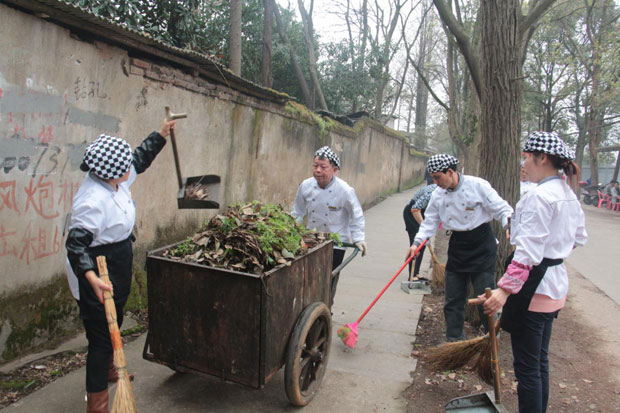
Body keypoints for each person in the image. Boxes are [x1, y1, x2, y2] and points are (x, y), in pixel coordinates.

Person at [65, 118, 175, 412]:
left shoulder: (116, 177)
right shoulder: (91, 201)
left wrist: (162, 132)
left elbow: (140, 157)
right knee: (100, 336)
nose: (131, 167)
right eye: (126, 166)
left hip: (118, 257)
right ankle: (98, 403)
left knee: (117, 316)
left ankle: (110, 368)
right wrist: (91, 278)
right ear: (112, 172)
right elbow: (76, 246)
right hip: (96, 267)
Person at [478, 131, 587, 413]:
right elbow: (578, 238)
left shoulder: (539, 197)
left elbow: (528, 253)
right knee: (539, 361)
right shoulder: (568, 195)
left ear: (543, 158)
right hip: (554, 285)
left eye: (526, 157)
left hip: (534, 289)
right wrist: (554, 247)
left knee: (527, 368)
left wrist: (504, 290)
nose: (522, 163)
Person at [405, 154, 513, 342]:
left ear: (451, 171)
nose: (435, 182)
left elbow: (502, 209)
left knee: (485, 299)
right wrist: (416, 243)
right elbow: (429, 222)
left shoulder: (478, 186)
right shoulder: (438, 194)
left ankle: (492, 337)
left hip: (482, 246)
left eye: (438, 177)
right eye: (432, 178)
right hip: (457, 246)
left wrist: (510, 225)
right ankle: (454, 340)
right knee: (453, 299)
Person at [292, 146, 366, 305]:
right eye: (315, 166)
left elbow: (356, 215)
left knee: (328, 281)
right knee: (309, 278)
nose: (317, 170)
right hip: (312, 239)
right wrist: (293, 229)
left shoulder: (345, 190)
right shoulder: (306, 185)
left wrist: (359, 239)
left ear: (334, 169)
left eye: (323, 167)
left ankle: (326, 308)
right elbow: (297, 211)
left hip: (336, 243)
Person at [403, 183, 437, 278]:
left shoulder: (443, 191)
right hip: (412, 214)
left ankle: (416, 272)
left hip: (422, 213)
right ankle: (412, 275)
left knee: (423, 245)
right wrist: (424, 228)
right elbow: (415, 209)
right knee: (416, 245)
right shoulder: (433, 193)